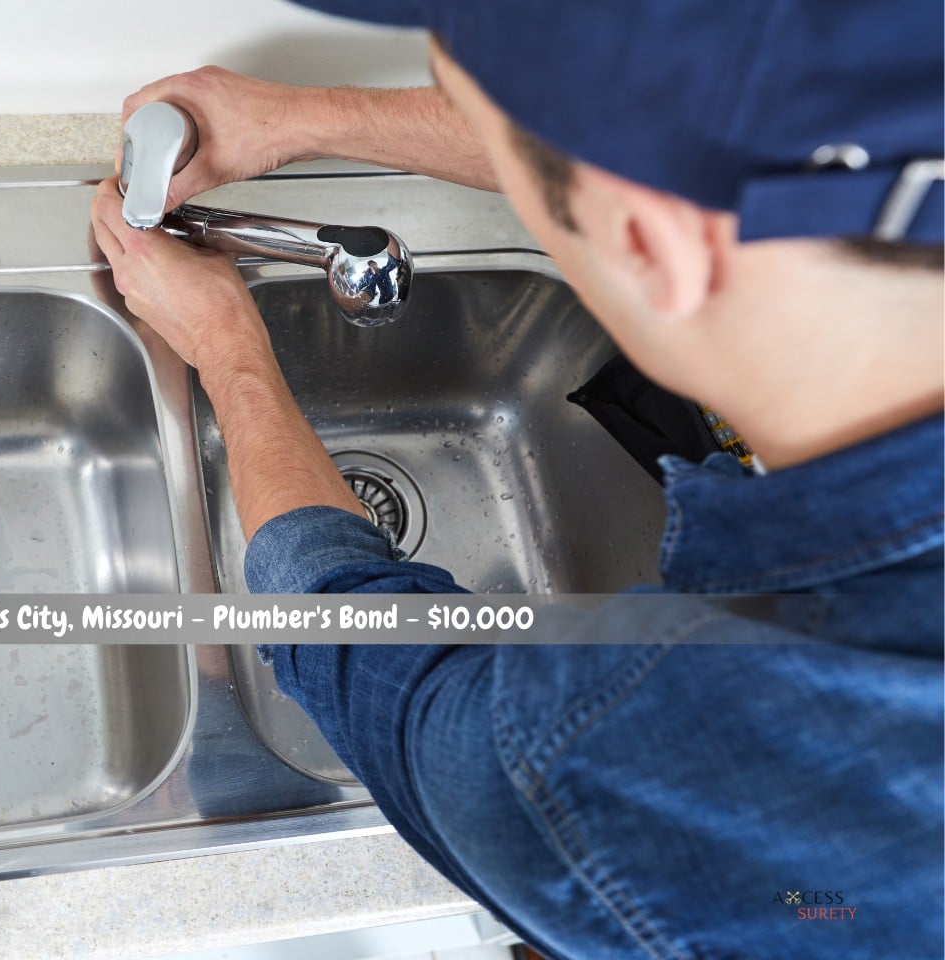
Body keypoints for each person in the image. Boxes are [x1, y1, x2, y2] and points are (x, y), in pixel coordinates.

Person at [89, 2, 943, 957]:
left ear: (653, 247)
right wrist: (303, 118)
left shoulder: (649, 761)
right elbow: (616, 164)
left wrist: (227, 350)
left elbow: (361, 642)